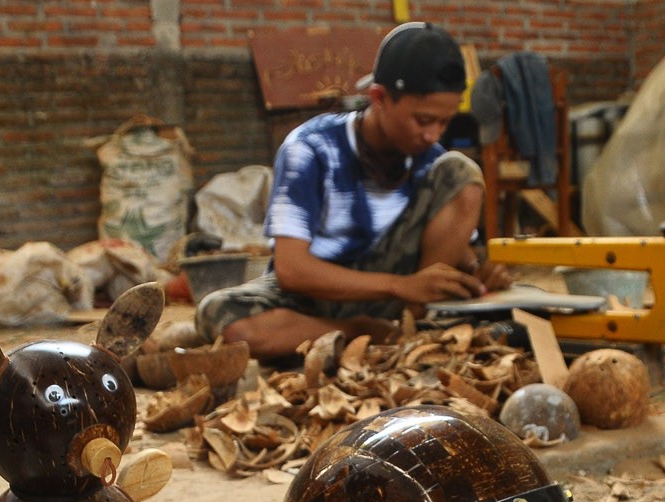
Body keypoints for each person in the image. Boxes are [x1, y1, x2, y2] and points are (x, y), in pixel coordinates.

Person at [195, 22, 510, 360]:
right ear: (380, 98)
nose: (433, 135)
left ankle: (415, 325)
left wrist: (476, 272)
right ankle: (365, 332)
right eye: (422, 120)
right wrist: (400, 285)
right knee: (220, 316)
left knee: (462, 171)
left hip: (403, 298)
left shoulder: (433, 164)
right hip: (316, 295)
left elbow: (448, 249)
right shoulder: (310, 149)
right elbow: (292, 270)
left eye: (444, 122)